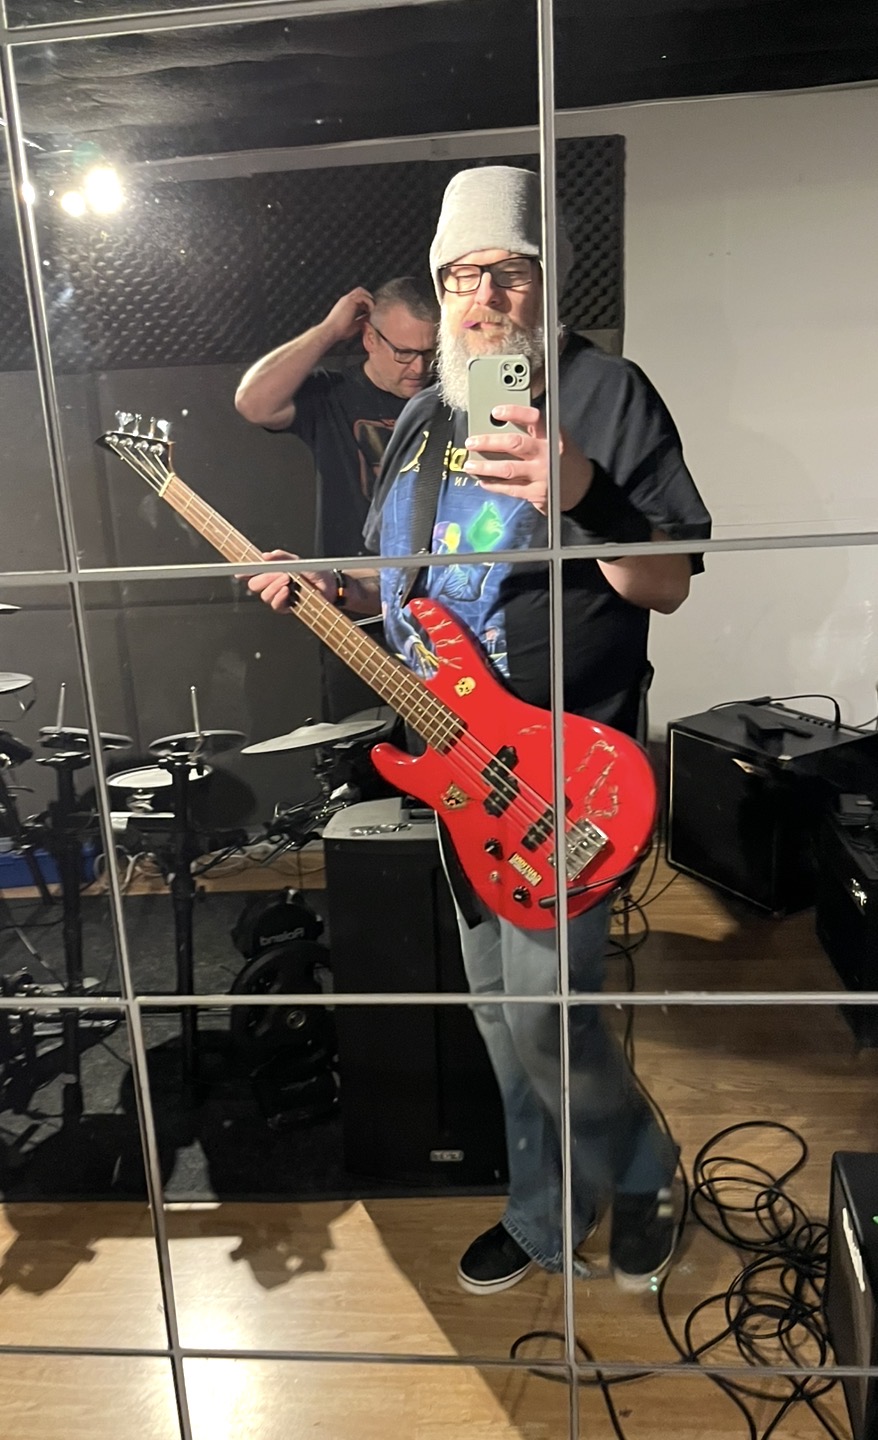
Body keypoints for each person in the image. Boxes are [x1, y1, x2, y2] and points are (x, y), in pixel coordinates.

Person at [248, 166, 712, 1297]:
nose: (484, 298)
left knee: (550, 1025)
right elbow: (404, 590)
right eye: (462, 276)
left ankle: (646, 1181)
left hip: (565, 778)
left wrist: (580, 490)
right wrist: (326, 588)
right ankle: (546, 1213)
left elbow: (662, 586)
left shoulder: (606, 393)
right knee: (502, 1021)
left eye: (508, 273)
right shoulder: (422, 419)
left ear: (548, 282)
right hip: (457, 775)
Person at [235, 276, 438, 719]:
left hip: (441, 620)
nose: (419, 367)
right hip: (356, 621)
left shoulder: (450, 400)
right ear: (370, 337)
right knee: (359, 752)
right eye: (404, 352)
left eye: (430, 352)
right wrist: (328, 330)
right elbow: (253, 403)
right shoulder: (334, 395)